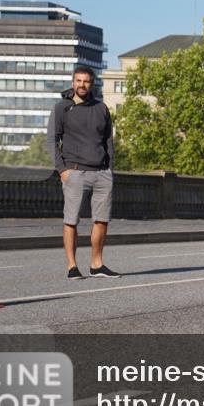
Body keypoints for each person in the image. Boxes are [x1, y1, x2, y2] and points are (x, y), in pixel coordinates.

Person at [46, 66, 118, 280]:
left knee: (102, 220)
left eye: (86, 81)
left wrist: (110, 169)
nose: (82, 85)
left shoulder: (101, 108)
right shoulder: (62, 108)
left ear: (92, 83)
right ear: (73, 82)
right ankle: (72, 266)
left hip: (101, 172)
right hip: (75, 172)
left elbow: (108, 141)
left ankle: (97, 264)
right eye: (78, 80)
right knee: (71, 220)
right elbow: (52, 141)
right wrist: (62, 170)